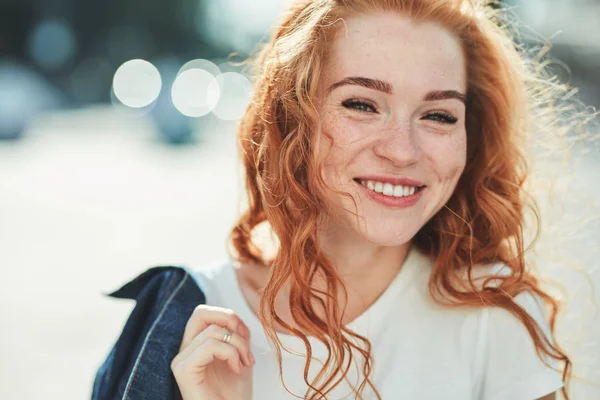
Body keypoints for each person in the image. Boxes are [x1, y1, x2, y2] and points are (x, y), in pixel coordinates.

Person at [93, 0, 593, 399]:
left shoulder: (493, 314)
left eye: (439, 115)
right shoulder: (182, 320)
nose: (402, 150)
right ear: (293, 118)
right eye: (361, 104)